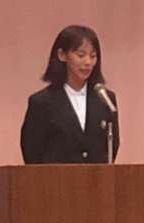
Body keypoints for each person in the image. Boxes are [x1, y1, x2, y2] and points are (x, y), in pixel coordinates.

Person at [20, 25, 120, 164]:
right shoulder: (42, 102)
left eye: (93, 56)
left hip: (96, 177)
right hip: (56, 177)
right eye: (81, 55)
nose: (88, 62)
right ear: (62, 55)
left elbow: (112, 146)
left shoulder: (105, 99)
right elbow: (32, 152)